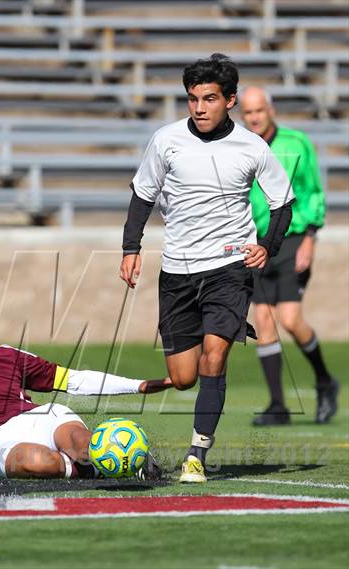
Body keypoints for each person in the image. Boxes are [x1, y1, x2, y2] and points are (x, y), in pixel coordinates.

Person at [120, 54, 294, 483]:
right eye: (192, 99)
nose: (198, 108)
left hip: (229, 268)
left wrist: (266, 248)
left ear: (230, 100)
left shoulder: (254, 147)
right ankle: (225, 332)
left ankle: (197, 453)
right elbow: (143, 194)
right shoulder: (166, 139)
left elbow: (283, 204)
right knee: (183, 378)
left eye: (209, 99)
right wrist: (130, 248)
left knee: (214, 359)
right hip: (177, 271)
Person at [0, 290, 172, 479]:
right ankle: (101, 470)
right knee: (37, 462)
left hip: (40, 419)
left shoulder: (7, 356)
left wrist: (137, 385)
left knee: (83, 444)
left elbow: (74, 380)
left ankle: (130, 460)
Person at [239, 86, 339, 426]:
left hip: (293, 238)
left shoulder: (296, 144)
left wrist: (311, 237)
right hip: (256, 243)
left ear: (271, 110)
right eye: (248, 112)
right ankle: (278, 405)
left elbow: (312, 191)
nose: (253, 117)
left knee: (291, 320)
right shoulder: (238, 146)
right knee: (264, 320)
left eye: (258, 110)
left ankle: (325, 381)